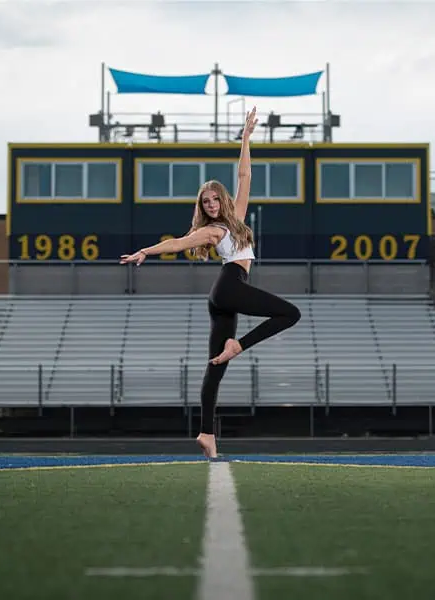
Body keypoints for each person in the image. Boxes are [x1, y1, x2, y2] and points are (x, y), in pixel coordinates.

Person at [120, 107, 301, 459]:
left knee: (215, 365)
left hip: (223, 293)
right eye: (206, 202)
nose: (212, 204)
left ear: (223, 199)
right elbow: (177, 243)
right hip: (230, 286)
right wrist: (145, 251)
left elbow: (245, 176)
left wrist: (245, 138)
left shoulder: (237, 220)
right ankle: (239, 346)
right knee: (289, 313)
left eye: (216, 198)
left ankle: (206, 433)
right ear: (202, 207)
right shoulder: (212, 230)